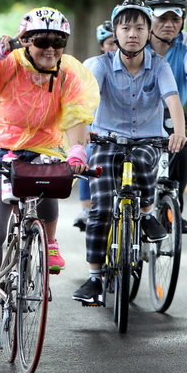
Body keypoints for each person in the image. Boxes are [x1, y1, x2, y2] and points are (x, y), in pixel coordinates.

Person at [0, 6, 100, 347]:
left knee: (54, 177)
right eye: (42, 41)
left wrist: (78, 151)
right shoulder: (6, 61)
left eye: (58, 42)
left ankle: (49, 242)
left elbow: (78, 114)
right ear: (26, 41)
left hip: (45, 149)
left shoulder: (68, 73)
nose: (50, 48)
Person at [72, 0, 187, 304]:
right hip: (106, 140)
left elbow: (173, 99)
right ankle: (94, 279)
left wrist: (179, 130)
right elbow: (87, 103)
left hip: (147, 140)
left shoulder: (159, 66)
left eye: (139, 27)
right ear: (115, 32)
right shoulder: (100, 65)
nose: (132, 33)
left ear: (149, 32)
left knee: (144, 163)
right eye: (125, 27)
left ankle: (148, 212)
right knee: (100, 209)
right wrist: (82, 133)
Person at [145, 0, 187, 234]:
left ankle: (173, 208)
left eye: (175, 17)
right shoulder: (136, 41)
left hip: (173, 113)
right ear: (150, 18)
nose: (169, 24)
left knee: (183, 156)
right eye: (162, 17)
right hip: (137, 114)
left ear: (183, 19)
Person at [73, 20, 118, 231]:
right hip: (97, 125)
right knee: (88, 154)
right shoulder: (92, 64)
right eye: (110, 43)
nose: (114, 47)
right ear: (102, 45)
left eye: (117, 42)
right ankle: (86, 207)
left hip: (125, 129)